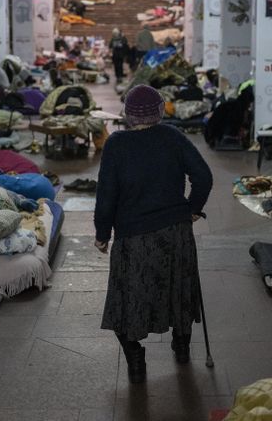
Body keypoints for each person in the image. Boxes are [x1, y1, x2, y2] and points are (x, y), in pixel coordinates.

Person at [94, 85, 213, 384]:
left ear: (128, 114)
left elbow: (106, 194)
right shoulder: (172, 136)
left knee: (127, 298)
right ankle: (182, 346)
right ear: (159, 111)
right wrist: (193, 209)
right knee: (179, 288)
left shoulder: (117, 144)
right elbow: (203, 176)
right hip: (176, 232)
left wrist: (102, 233)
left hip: (134, 237)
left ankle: (135, 358)